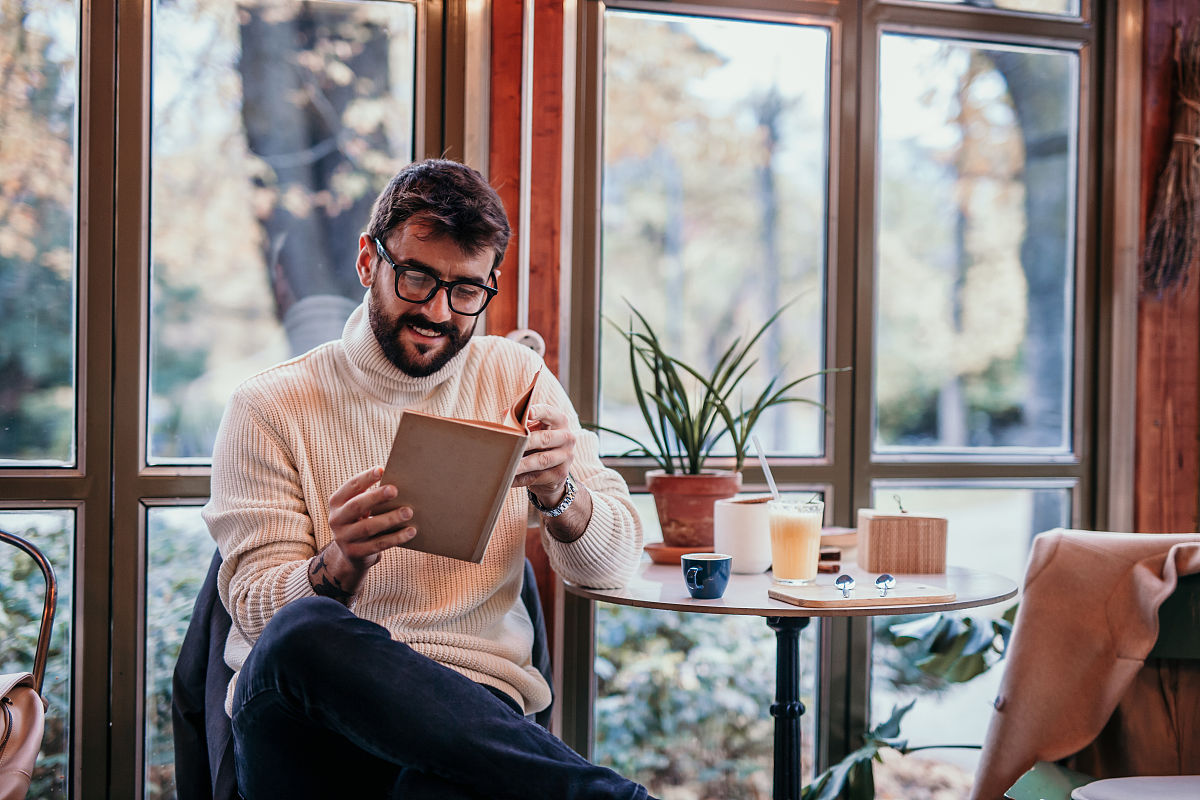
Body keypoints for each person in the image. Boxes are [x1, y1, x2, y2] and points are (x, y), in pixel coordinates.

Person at [203, 159, 650, 799]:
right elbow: (251, 608)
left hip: (467, 705)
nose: (439, 311)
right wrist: (342, 561)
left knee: (435, 787)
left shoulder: (515, 379)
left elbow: (609, 568)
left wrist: (561, 495)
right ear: (368, 262)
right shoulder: (271, 405)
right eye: (417, 277)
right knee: (302, 632)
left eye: (467, 290)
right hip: (306, 719)